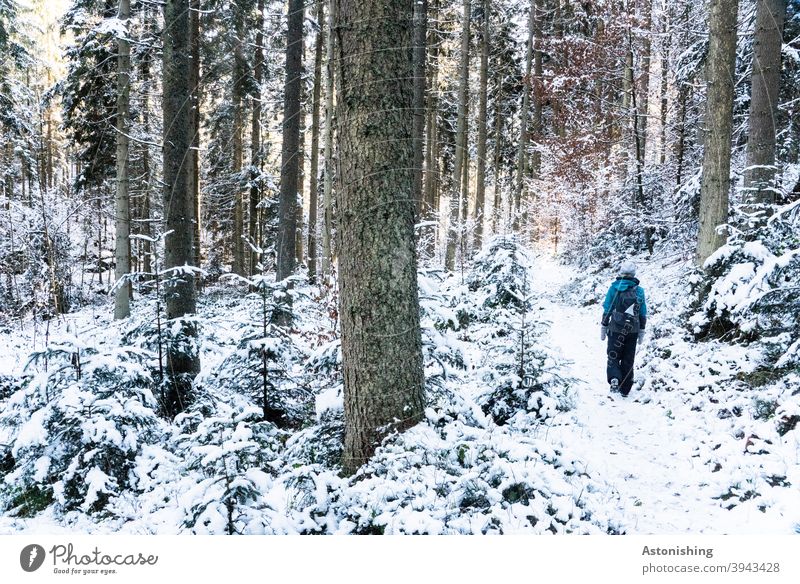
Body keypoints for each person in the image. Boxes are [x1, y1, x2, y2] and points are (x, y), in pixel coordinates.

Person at [600, 261, 647, 397]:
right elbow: (642, 312)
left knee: (613, 354)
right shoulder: (639, 291)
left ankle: (614, 378)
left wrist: (604, 325)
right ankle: (625, 388)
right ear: (633, 274)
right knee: (628, 357)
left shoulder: (614, 288)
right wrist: (642, 330)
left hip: (615, 328)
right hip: (632, 330)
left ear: (621, 273)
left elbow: (607, 307)